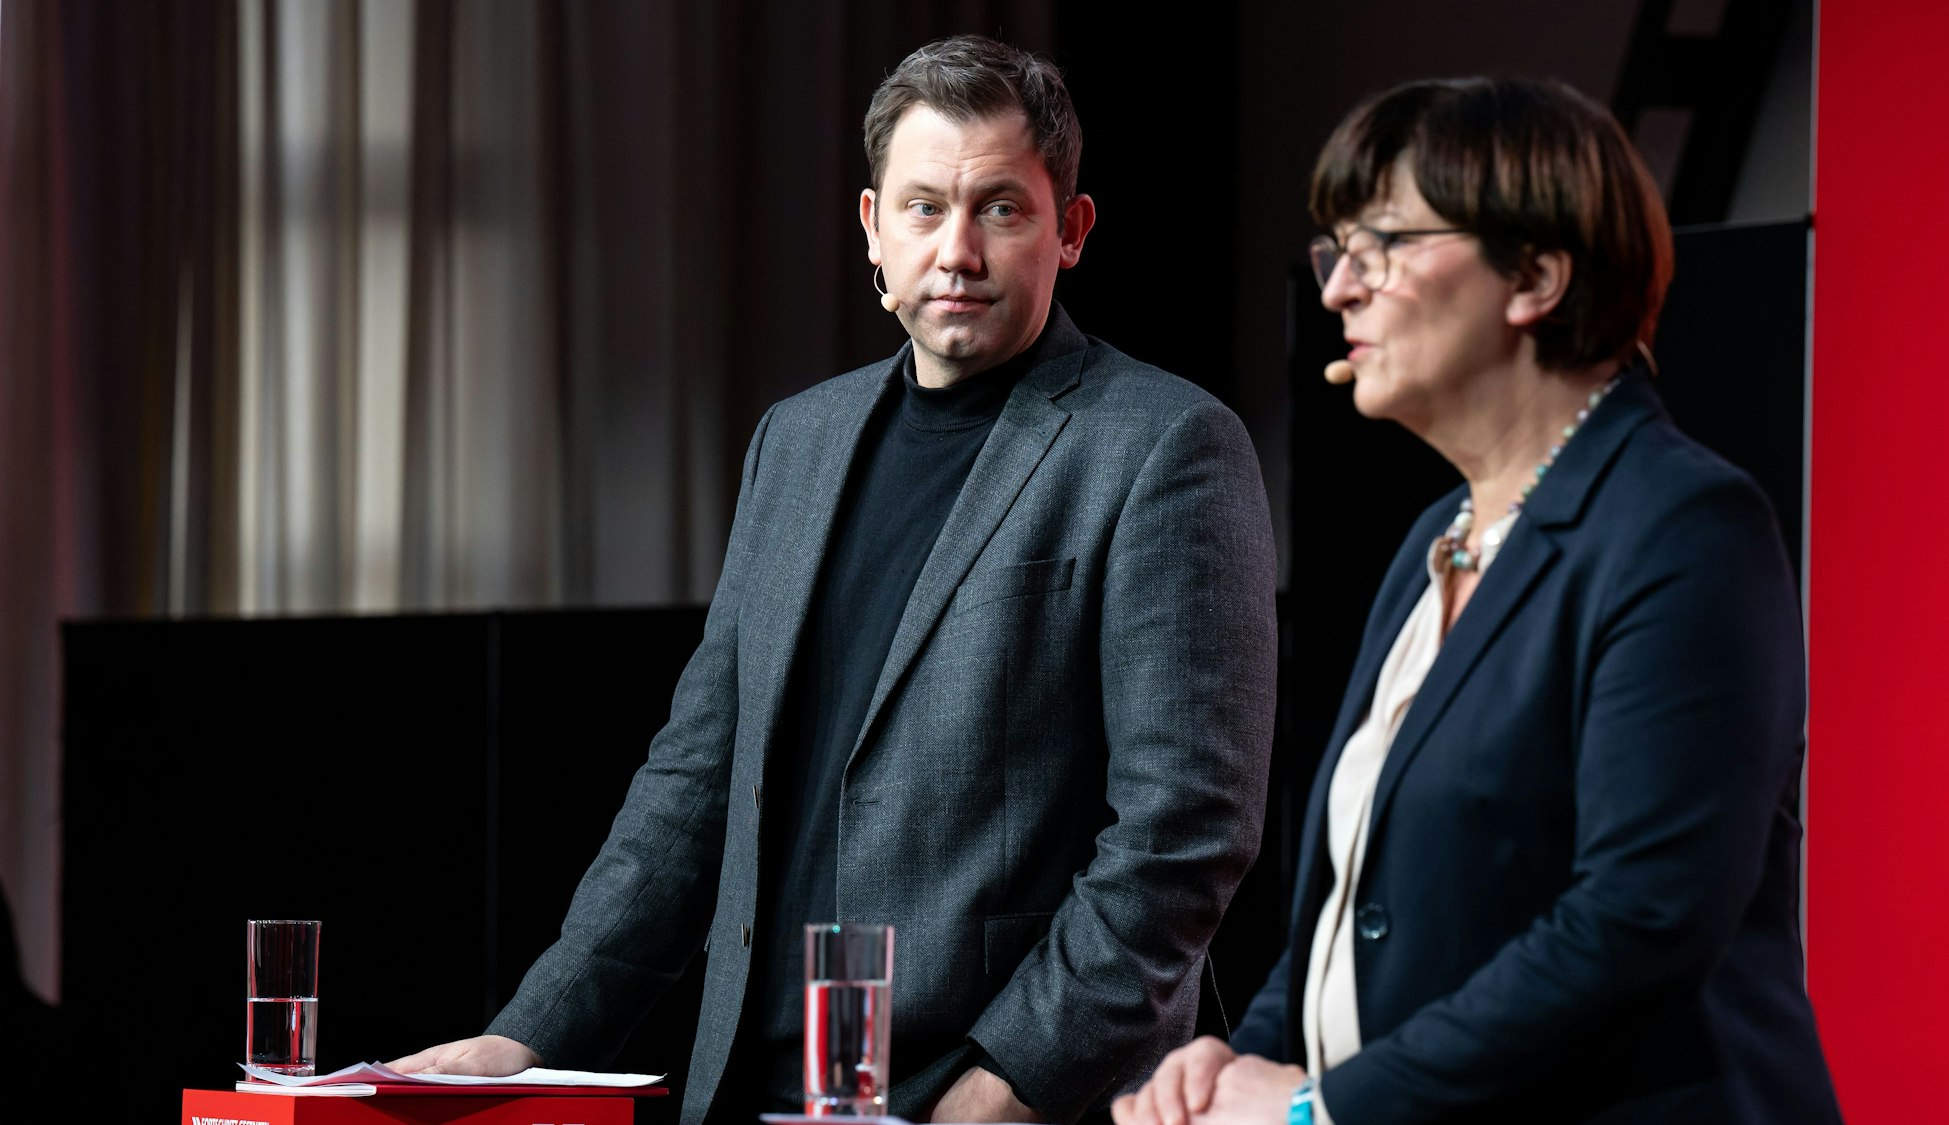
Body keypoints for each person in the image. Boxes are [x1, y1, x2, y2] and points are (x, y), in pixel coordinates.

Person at [390, 35, 1277, 1125]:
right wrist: (530, 1037)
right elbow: (695, 785)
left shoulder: (1165, 444)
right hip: (768, 1090)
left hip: (1002, 1097)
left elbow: (1182, 834)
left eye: (1000, 209)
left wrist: (1005, 1087)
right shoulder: (795, 442)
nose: (956, 251)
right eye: (921, 209)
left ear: (1071, 230)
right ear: (870, 229)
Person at [1114, 78, 1840, 1124]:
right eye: (1337, 251)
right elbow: (1355, 908)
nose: (1337, 290)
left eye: (1386, 245)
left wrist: (1319, 1112)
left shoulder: (1683, 526)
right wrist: (1239, 1061)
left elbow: (1636, 921)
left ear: (1534, 275)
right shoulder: (1437, 537)